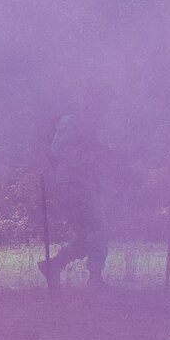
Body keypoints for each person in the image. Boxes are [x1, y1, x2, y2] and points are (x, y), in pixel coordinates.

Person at [39, 88, 113, 290]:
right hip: (75, 183)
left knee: (88, 233)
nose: (104, 107)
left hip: (87, 181)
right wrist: (90, 158)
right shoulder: (72, 120)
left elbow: (100, 150)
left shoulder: (92, 121)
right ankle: (94, 279)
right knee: (96, 229)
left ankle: (54, 265)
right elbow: (60, 150)